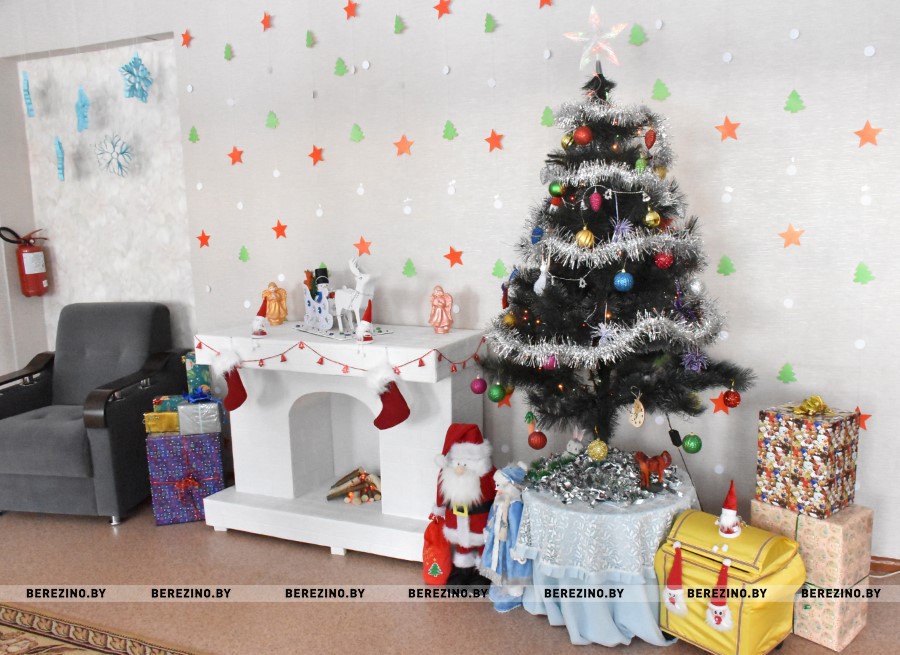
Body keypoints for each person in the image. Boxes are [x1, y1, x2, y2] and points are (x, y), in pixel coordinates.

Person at [432, 424, 495, 585]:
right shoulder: (446, 474)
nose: (460, 468)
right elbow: (440, 494)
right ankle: (462, 570)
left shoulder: (488, 474)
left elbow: (499, 492)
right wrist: (438, 509)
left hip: (481, 521)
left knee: (483, 545)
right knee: (462, 544)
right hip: (456, 518)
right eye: (458, 462)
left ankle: (483, 573)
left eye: (466, 463)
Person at [478, 463, 532, 612]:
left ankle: (513, 591)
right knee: (497, 561)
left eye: (502, 485)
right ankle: (500, 584)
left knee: (510, 564)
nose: (498, 488)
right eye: (498, 485)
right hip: (496, 538)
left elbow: (517, 526)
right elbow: (492, 515)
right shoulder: (499, 499)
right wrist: (488, 530)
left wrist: (517, 547)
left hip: (509, 542)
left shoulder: (515, 505)